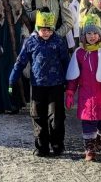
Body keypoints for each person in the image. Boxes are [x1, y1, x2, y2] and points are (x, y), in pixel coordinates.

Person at [9, 8, 69, 157]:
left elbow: (66, 62)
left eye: (49, 30)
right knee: (38, 116)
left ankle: (57, 144)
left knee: (56, 117)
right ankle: (42, 146)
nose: (46, 33)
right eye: (43, 30)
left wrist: (69, 82)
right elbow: (21, 61)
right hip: (37, 85)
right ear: (37, 28)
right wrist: (12, 79)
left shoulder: (59, 42)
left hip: (55, 84)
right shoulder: (31, 42)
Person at [65, 13, 101, 161]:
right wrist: (70, 91)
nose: (92, 36)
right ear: (84, 35)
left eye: (95, 33)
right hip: (86, 95)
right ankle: (89, 148)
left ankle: (100, 138)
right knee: (88, 122)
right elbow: (74, 75)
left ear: (100, 35)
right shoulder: (80, 53)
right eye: (89, 33)